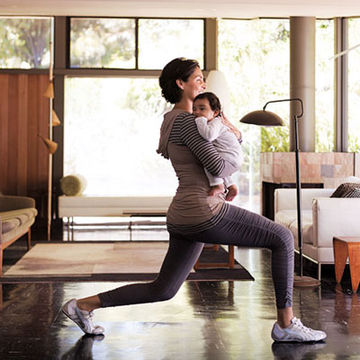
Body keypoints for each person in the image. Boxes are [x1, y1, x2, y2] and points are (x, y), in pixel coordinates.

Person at [62, 57, 327, 343]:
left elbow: (198, 165)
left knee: (163, 289)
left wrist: (224, 184)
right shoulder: (189, 122)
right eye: (198, 78)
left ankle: (82, 305)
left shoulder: (170, 120)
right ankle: (286, 324)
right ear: (181, 83)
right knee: (283, 238)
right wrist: (235, 138)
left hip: (181, 214)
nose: (203, 83)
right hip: (203, 212)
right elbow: (219, 167)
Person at [193, 92, 243, 201]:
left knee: (208, 161)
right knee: (218, 162)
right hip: (233, 159)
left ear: (215, 112)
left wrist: (200, 120)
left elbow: (208, 136)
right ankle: (231, 186)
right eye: (194, 109)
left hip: (230, 158)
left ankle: (218, 186)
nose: (197, 112)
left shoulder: (217, 122)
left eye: (202, 109)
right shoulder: (215, 122)